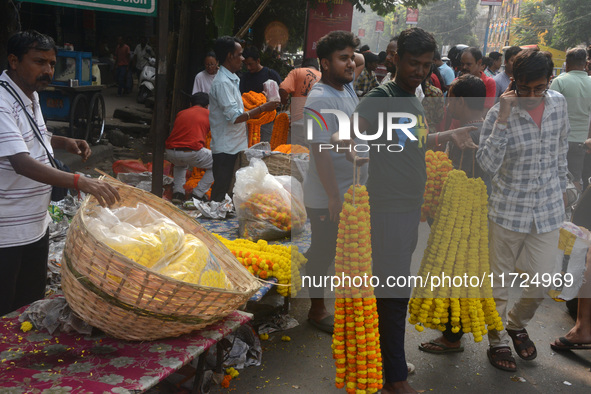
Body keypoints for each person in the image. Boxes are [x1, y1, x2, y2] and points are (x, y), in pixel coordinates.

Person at [349, 28, 477, 394]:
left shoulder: (410, 97)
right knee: (393, 293)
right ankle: (395, 381)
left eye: (426, 65)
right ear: (395, 59)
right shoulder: (381, 97)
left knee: (391, 289)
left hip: (407, 209)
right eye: (412, 63)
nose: (419, 70)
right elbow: (348, 135)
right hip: (388, 209)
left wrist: (446, 137)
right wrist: (358, 147)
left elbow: (411, 142)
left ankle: (386, 363)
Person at [0, 30, 120, 316]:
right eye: (39, 62)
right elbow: (21, 162)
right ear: (14, 61)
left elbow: (30, 135)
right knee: (5, 313)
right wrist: (80, 181)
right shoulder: (2, 101)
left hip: (35, 226)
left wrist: (62, 142)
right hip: (6, 232)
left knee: (27, 307)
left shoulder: (29, 94)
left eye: (52, 64)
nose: (48, 71)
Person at [476, 49, 569, 372]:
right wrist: (502, 118)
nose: (531, 96)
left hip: (548, 208)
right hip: (507, 210)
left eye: (538, 88)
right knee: (498, 283)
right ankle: (497, 340)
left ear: (549, 82)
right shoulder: (500, 112)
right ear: (513, 82)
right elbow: (486, 164)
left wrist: (566, 188)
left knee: (544, 280)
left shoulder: (558, 104)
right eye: (524, 88)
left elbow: (560, 151)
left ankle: (515, 323)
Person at [302, 30, 366, 335]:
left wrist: (350, 58)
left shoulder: (345, 86)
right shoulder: (319, 98)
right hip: (328, 194)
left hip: (350, 189)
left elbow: (361, 59)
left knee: (343, 252)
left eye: (352, 57)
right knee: (323, 251)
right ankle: (316, 309)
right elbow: (320, 150)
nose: (351, 63)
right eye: (343, 59)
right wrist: (333, 197)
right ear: (324, 64)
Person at [208, 37, 278, 203]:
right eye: (239, 55)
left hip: (236, 144)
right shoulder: (222, 83)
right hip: (225, 147)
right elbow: (235, 117)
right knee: (221, 189)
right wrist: (263, 108)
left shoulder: (233, 79)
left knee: (233, 189)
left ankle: (224, 215)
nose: (243, 59)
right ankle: (214, 218)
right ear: (230, 56)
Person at [549, 46, 591, 192]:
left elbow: (550, 112)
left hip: (559, 139)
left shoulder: (559, 81)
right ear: (585, 64)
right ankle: (574, 210)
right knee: (576, 178)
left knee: (555, 175)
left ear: (567, 62)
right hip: (582, 140)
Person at [165, 92, 213, 204]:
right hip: (191, 152)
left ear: (191, 104)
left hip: (170, 152)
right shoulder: (209, 114)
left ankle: (178, 193)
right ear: (207, 106)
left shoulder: (181, 113)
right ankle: (197, 194)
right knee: (219, 163)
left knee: (180, 165)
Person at [239, 47, 282, 142]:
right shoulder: (244, 77)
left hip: (266, 121)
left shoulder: (270, 74)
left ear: (258, 60)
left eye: (251, 64)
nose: (248, 68)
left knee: (264, 146)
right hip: (249, 120)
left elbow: (280, 95)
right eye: (246, 65)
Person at [278, 58, 321, 146]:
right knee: (312, 153)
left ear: (303, 66)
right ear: (317, 68)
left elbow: (283, 89)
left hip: (300, 120)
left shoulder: (297, 72)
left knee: (298, 154)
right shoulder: (323, 76)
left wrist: (284, 101)